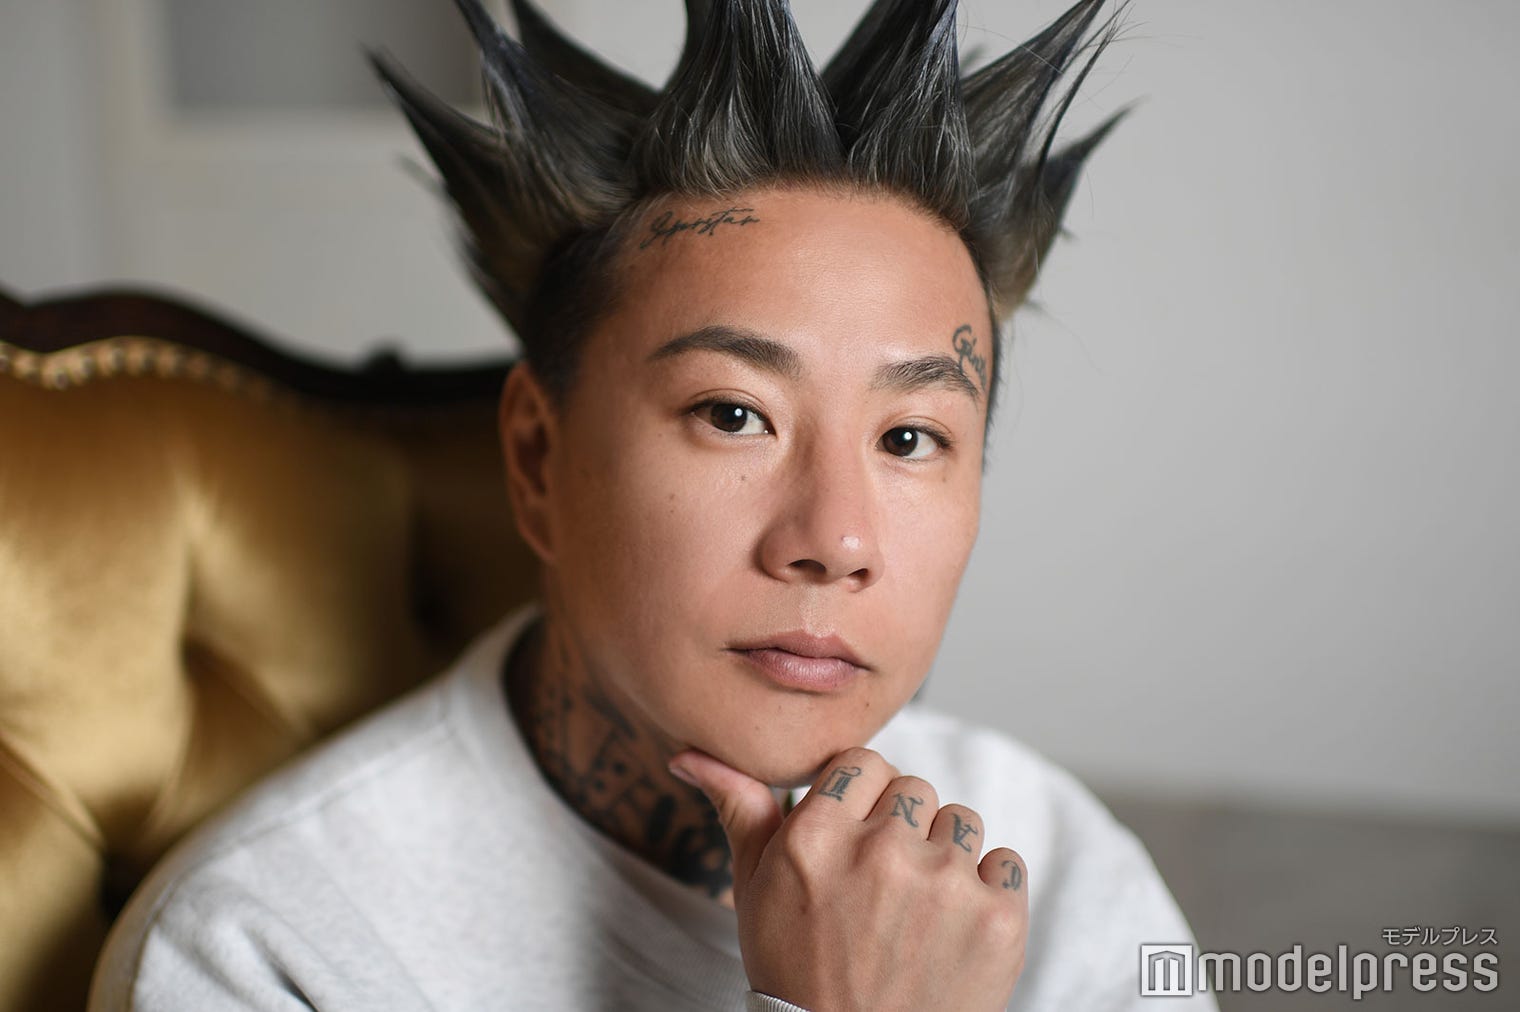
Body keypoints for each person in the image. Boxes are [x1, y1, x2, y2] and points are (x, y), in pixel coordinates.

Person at [91, 0, 1216, 1008]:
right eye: (734, 414)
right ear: (538, 458)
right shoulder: (265, 947)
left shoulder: (1057, 871)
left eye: (910, 438)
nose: (835, 540)